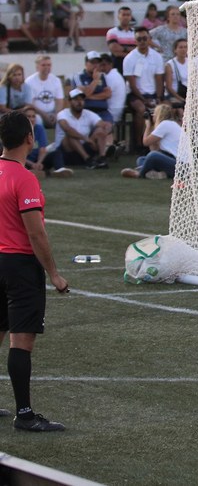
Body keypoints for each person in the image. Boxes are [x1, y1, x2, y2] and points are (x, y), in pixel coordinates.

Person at [0, 110, 69, 431]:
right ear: (30, 138)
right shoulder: (23, 177)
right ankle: (24, 414)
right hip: (20, 266)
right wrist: (53, 273)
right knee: (21, 340)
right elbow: (35, 232)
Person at [123, 29, 166, 153]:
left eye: (145, 38)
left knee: (164, 109)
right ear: (135, 41)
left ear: (149, 40)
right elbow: (132, 84)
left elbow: (159, 79)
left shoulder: (156, 56)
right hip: (136, 95)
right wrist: (144, 100)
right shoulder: (130, 58)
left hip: (153, 93)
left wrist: (158, 97)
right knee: (141, 110)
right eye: (139, 39)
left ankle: (159, 144)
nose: (142, 42)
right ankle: (139, 144)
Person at [55, 89, 114, 168]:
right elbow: (67, 129)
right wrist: (87, 139)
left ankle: (102, 158)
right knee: (70, 136)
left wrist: (106, 129)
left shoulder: (88, 113)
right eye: (76, 100)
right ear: (69, 102)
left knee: (100, 130)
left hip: (84, 146)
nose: (79, 102)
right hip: (66, 151)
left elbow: (103, 125)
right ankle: (88, 160)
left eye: (81, 99)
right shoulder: (62, 114)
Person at [120, 103, 180, 180]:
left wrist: (148, 126)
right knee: (142, 159)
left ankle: (140, 174)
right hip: (173, 161)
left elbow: (146, 142)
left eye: (154, 114)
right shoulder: (172, 124)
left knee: (153, 155)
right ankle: (161, 174)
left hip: (179, 166)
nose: (153, 116)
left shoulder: (165, 124)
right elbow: (154, 148)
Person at [25, 56, 63, 128]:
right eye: (43, 65)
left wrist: (56, 114)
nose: (46, 67)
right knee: (37, 120)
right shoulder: (29, 81)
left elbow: (59, 101)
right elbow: (30, 104)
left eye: (49, 65)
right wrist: (44, 115)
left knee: (63, 119)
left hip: (53, 113)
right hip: (37, 113)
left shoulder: (56, 80)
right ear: (37, 67)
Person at [106, 6, 136, 70]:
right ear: (118, 16)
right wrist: (132, 52)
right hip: (117, 66)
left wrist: (122, 48)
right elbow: (114, 50)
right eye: (123, 15)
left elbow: (139, 49)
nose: (125, 17)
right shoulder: (112, 32)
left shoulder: (135, 33)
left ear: (131, 17)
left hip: (133, 66)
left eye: (128, 15)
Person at [164, 38, 189, 108]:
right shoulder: (170, 65)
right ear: (175, 50)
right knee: (179, 110)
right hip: (175, 94)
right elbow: (169, 87)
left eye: (185, 47)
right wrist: (182, 99)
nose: (183, 50)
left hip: (188, 94)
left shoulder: (191, 62)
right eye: (180, 47)